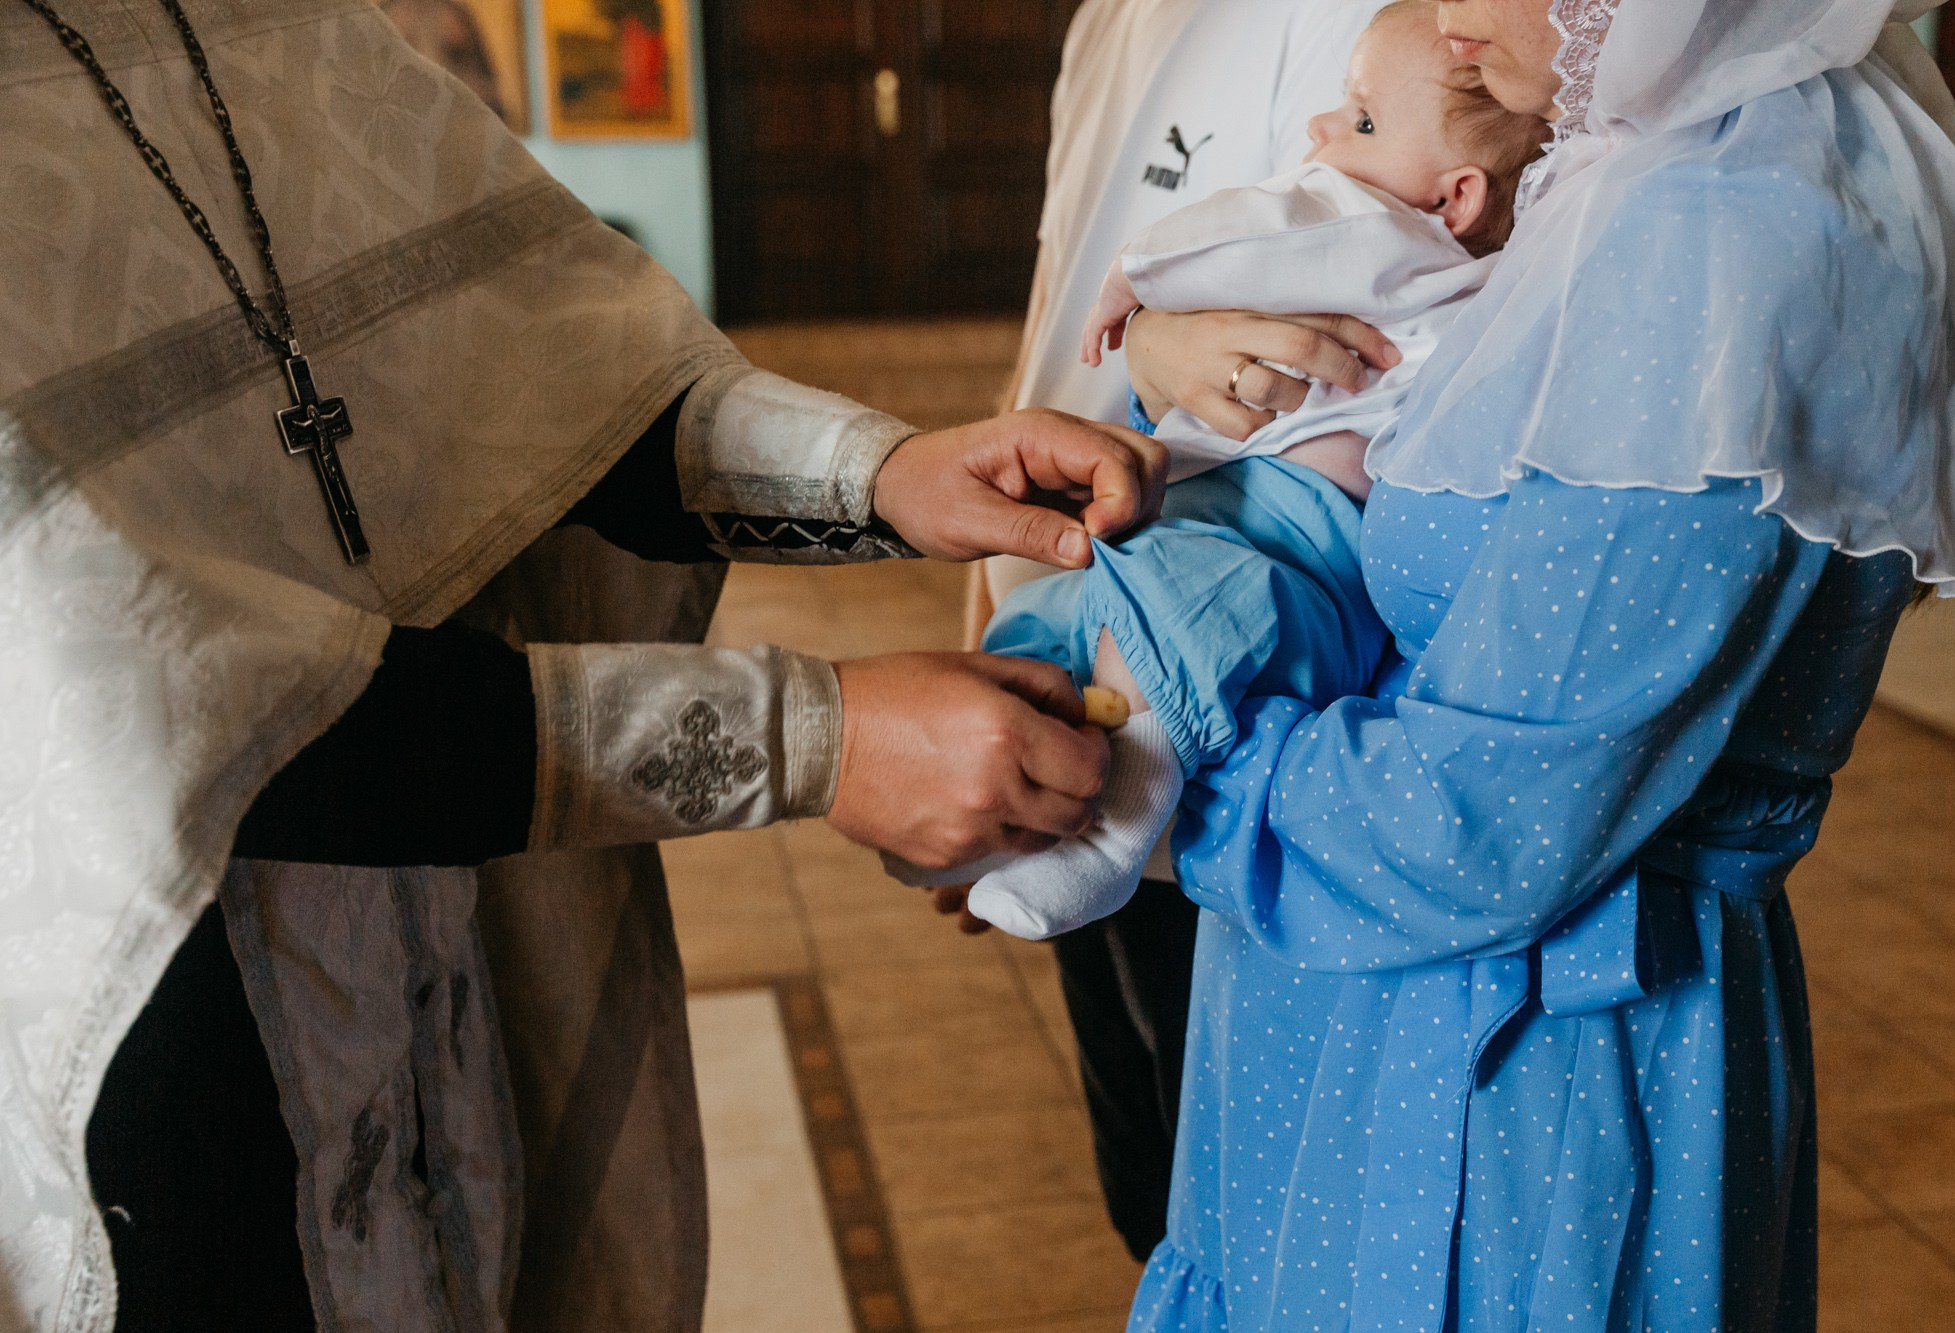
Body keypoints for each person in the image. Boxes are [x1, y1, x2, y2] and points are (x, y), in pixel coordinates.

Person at [0, 1, 1161, 1328]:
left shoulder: (286, 23)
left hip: (457, 955)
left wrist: (880, 476)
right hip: (178, 1025)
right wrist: (815, 737)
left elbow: (553, 380)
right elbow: (146, 698)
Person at [1111, 0, 1955, 1326]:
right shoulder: (1631, 162)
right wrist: (1166, 364)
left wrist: (1153, 749)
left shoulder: (1720, 236)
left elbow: (1479, 830)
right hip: (1400, 989)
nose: (1446, 19)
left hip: (1512, 1068)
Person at [939, 1, 1550, 940]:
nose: (1325, 134)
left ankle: (1110, 826)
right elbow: (1054, 283)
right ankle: (979, 791)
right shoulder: (1107, 20)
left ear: (1455, 197)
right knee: (1052, 626)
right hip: (1148, 515)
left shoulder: (1386, 221)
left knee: (1182, 615)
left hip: (1284, 537)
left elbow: (1266, 225)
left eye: (1356, 122)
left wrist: (1141, 279)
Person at [947, 0, 1395, 1264]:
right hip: (1064, 601)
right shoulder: (1107, 20)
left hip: (1229, 698)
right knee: (1142, 1170)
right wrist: (981, 628)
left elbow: (1381, 322)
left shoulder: (1394, 28)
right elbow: (1053, 312)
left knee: (1249, 1200)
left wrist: (1167, 343)